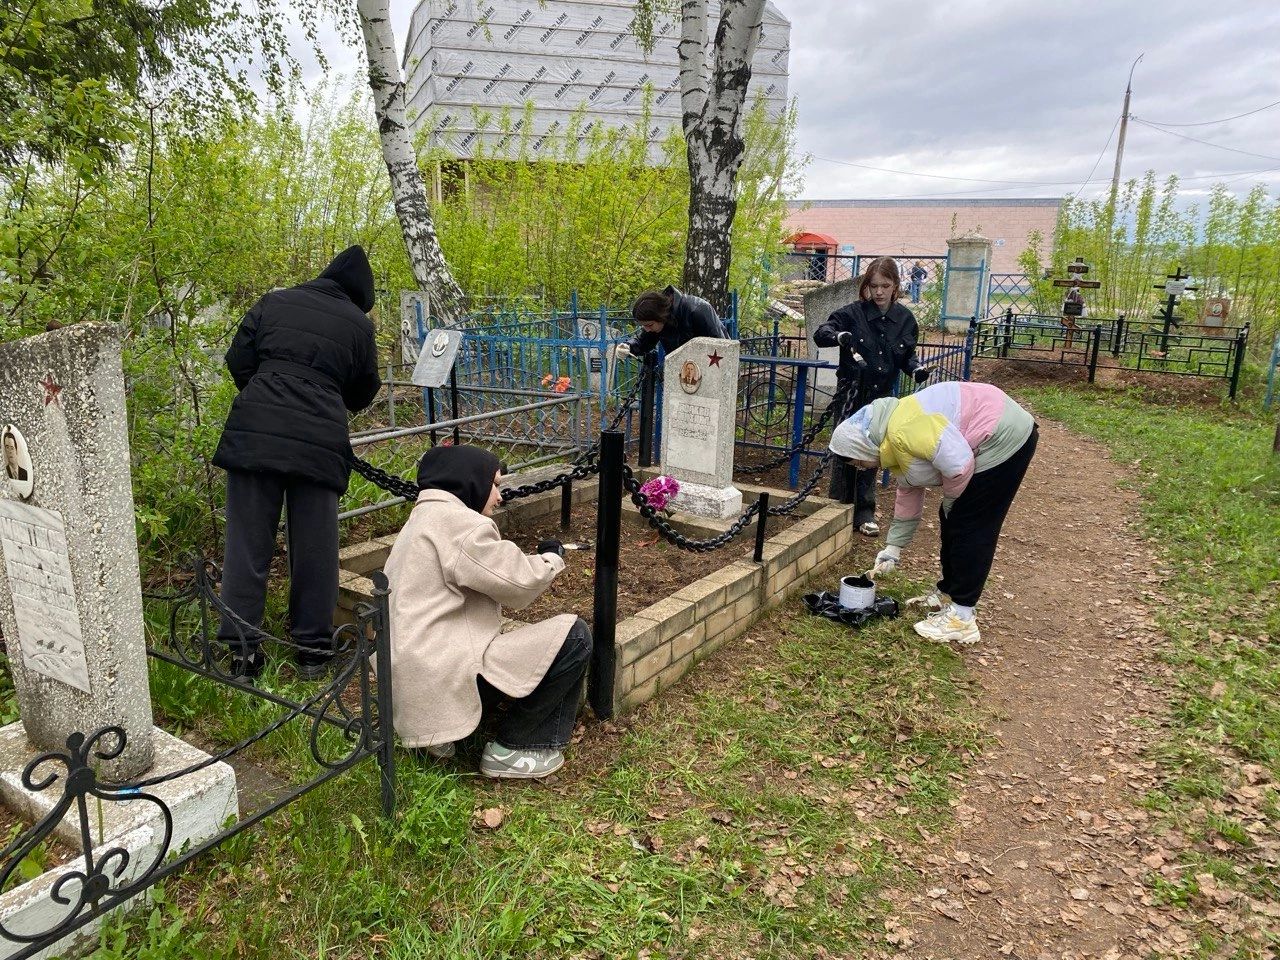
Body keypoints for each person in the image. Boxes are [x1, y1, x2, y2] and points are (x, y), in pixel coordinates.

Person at [212, 246, 382, 679]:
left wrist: (269, 393)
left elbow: (238, 360)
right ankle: (313, 651)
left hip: (256, 431)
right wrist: (324, 395)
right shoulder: (358, 325)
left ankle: (243, 654)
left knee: (247, 546)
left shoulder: (274, 301)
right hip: (319, 442)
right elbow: (363, 392)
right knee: (315, 548)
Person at [383, 445, 590, 780]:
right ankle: (515, 748)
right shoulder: (462, 525)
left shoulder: (420, 520)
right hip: (444, 673)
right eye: (493, 484)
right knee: (575, 636)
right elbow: (519, 583)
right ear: (470, 482)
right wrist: (553, 557)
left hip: (410, 680)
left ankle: (438, 736)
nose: (499, 495)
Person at [829, 381, 1039, 646]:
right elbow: (908, 491)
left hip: (1002, 436)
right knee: (954, 519)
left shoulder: (903, 430)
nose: (861, 468)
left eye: (858, 461)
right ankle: (947, 593)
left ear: (863, 447)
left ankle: (961, 617)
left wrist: (953, 504)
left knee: (970, 525)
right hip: (992, 431)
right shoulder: (892, 443)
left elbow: (960, 466)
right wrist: (893, 549)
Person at [813, 257, 931, 538]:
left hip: (881, 398)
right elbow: (822, 333)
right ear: (866, 286)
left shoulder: (904, 319)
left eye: (885, 286)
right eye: (873, 286)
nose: (878, 292)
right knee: (845, 448)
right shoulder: (852, 313)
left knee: (871, 452)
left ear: (895, 287)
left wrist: (916, 370)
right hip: (851, 392)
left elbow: (905, 355)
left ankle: (864, 512)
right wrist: (839, 336)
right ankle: (837, 506)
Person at [614, 285, 728, 361]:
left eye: (649, 325)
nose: (647, 329)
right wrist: (628, 347)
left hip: (709, 369)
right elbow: (643, 342)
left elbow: (720, 347)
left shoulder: (697, 310)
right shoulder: (659, 321)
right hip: (681, 372)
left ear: (660, 316)